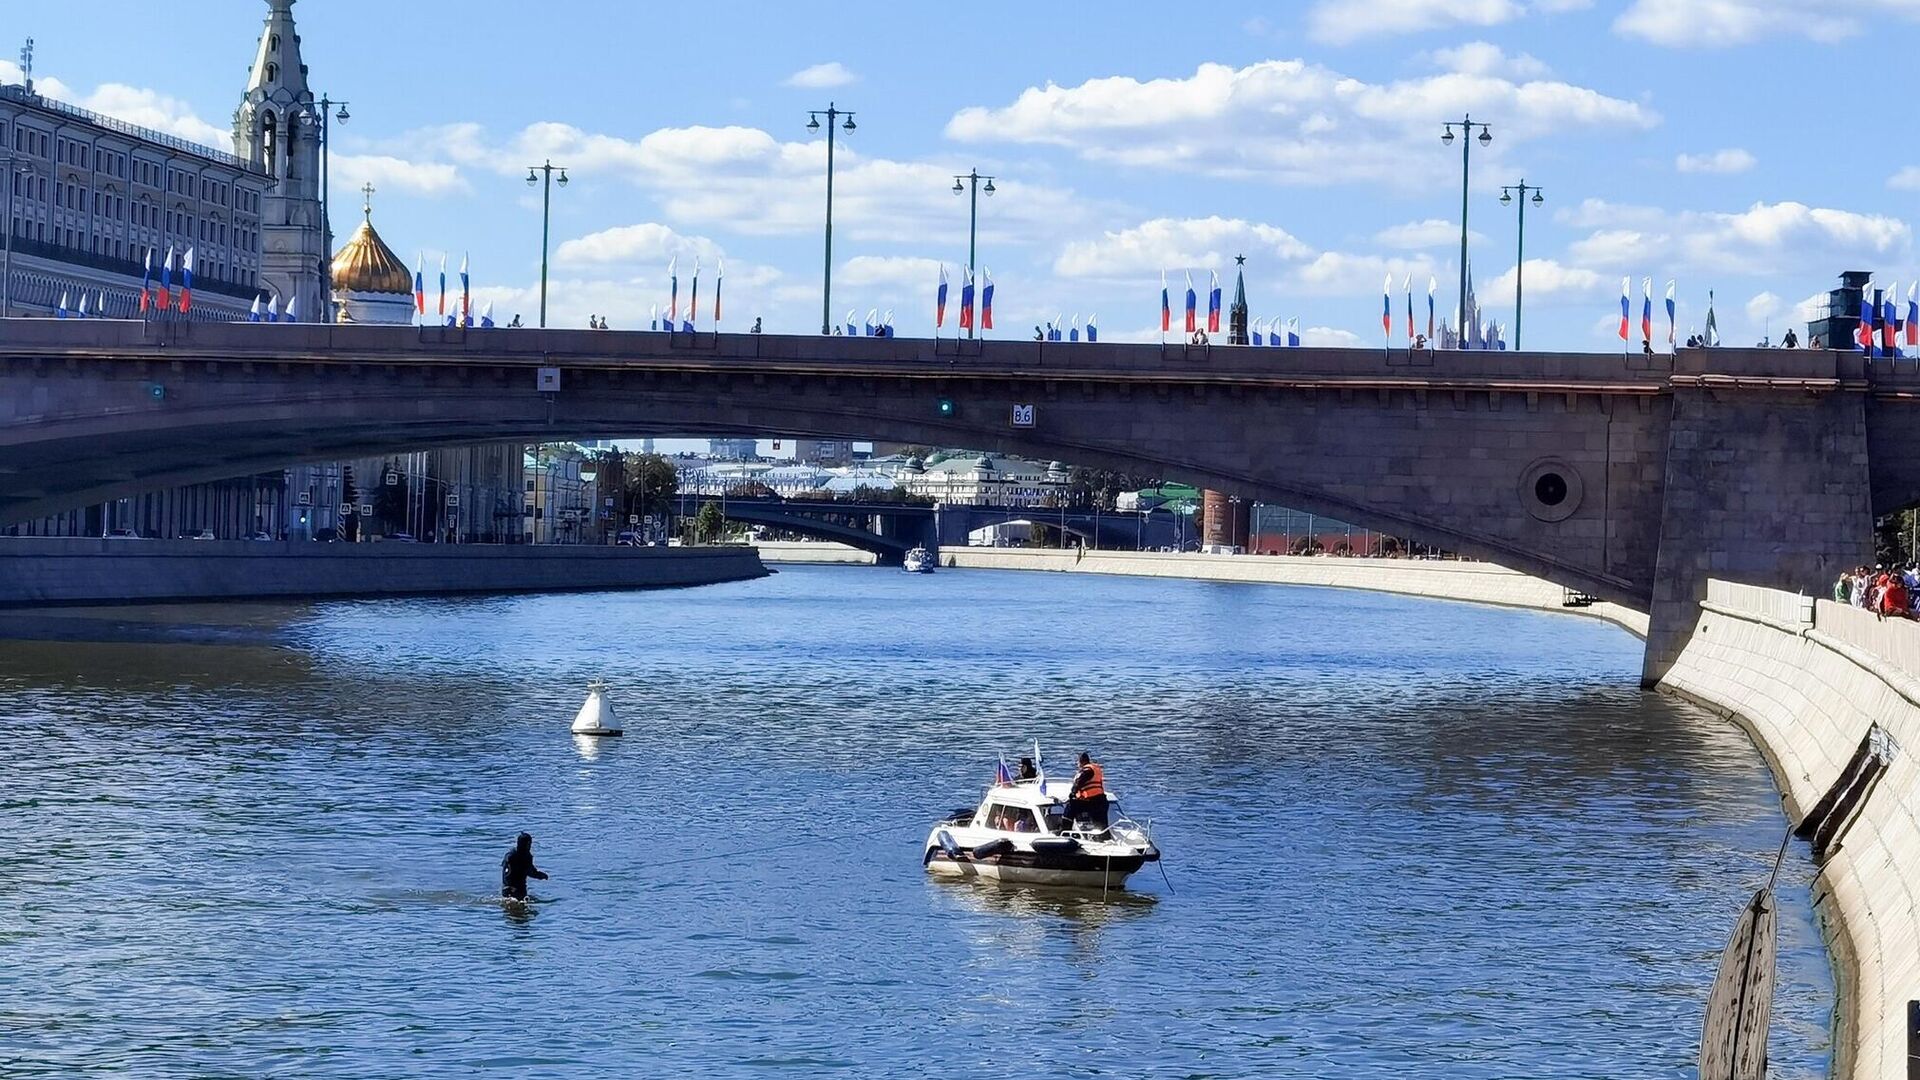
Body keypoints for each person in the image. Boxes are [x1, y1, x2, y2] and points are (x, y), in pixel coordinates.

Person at [1065, 751, 1108, 830]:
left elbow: (1079, 782)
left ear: (1081, 761)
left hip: (1090, 801)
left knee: (1071, 806)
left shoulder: (1087, 770)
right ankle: (1104, 836)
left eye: (1078, 762)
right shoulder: (1096, 768)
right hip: (1101, 800)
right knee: (1101, 824)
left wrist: (1073, 793)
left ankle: (1065, 830)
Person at [500, 832, 548, 901]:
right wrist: (541, 875)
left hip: (506, 888)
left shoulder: (509, 855)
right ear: (528, 844)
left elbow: (505, 870)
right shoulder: (525, 856)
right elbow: (531, 872)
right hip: (518, 890)